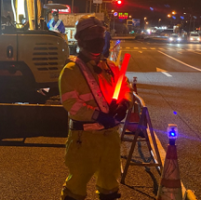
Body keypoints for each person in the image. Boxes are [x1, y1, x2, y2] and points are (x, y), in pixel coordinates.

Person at [59, 14, 133, 200]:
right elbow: (71, 104)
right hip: (84, 139)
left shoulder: (111, 67)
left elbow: (125, 87)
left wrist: (125, 102)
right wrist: (97, 116)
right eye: (93, 38)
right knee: (76, 184)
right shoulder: (71, 70)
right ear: (81, 40)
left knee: (110, 183)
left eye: (100, 37)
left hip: (110, 138)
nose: (98, 42)